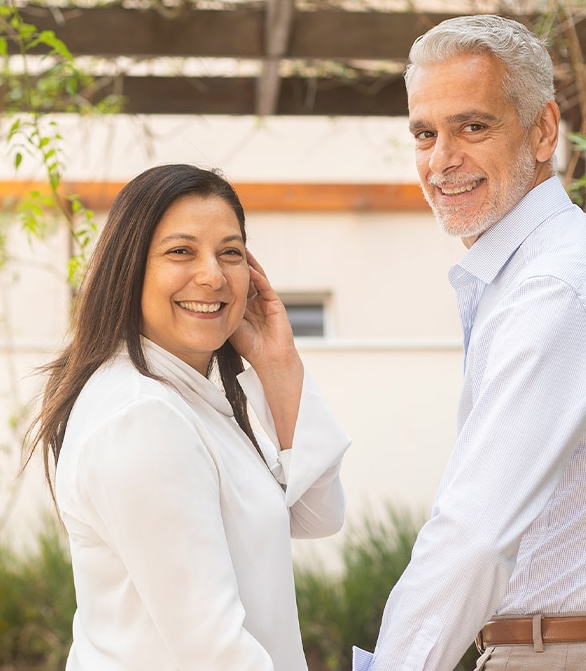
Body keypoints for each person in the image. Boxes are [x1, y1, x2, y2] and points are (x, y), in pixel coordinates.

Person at [366, 15, 586, 670]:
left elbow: (473, 535)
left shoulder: (556, 285)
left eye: (472, 126)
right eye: (425, 132)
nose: (440, 159)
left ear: (541, 130)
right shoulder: (581, 260)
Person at [24, 163, 351, 670]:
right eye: (181, 251)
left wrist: (276, 363)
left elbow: (317, 513)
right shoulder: (142, 416)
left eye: (230, 253)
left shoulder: (190, 399)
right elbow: (214, 652)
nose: (213, 276)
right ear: (130, 269)